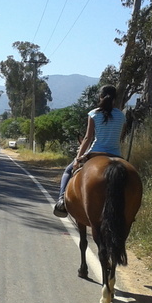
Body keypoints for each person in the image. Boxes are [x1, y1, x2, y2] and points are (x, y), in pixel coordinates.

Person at [53, 85, 127, 217]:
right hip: (116, 154)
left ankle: (62, 200)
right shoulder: (121, 116)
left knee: (68, 171)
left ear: (100, 97)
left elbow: (87, 138)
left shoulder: (94, 114)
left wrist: (78, 158)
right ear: (115, 98)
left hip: (95, 153)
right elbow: (120, 138)